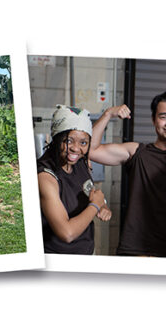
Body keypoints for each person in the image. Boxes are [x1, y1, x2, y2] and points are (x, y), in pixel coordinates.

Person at [87, 91, 166, 257]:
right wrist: (108, 113)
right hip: (136, 250)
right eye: (163, 116)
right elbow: (90, 150)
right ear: (154, 119)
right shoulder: (137, 152)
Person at [37, 106, 111, 255]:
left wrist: (103, 207)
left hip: (86, 252)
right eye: (69, 141)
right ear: (57, 138)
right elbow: (67, 233)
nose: (76, 149)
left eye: (83, 143)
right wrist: (95, 206)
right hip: (58, 259)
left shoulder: (80, 162)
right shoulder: (45, 177)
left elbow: (91, 194)